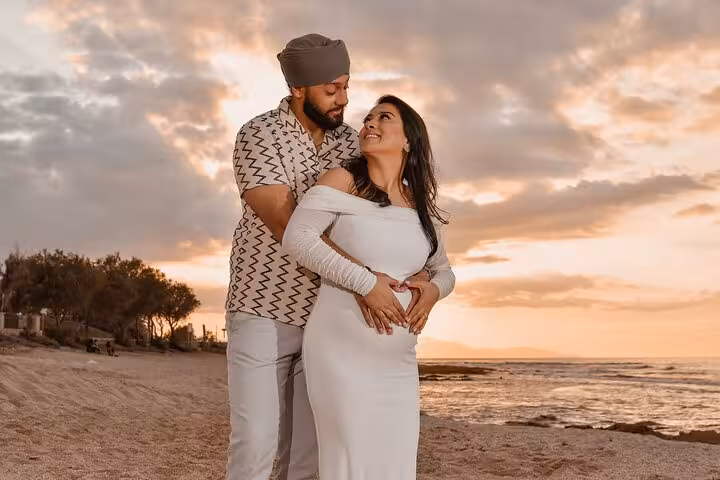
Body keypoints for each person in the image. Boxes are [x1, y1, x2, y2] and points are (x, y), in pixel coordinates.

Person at [225, 34, 434, 480]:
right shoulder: (259, 134)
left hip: (330, 322)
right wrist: (363, 279)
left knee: (309, 458)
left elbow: (384, 216)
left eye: (346, 85)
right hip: (265, 307)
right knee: (257, 444)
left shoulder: (350, 146)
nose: (344, 99)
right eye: (331, 89)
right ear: (299, 88)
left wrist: (423, 279)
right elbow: (286, 224)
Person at [283, 95, 456, 479]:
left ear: (409, 139)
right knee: (348, 460)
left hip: (398, 359)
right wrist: (365, 283)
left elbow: (443, 269)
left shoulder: (421, 205)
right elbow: (298, 237)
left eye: (384, 117)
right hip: (340, 350)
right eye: (367, 119)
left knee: (393, 464)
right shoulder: (342, 179)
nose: (369, 124)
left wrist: (432, 291)